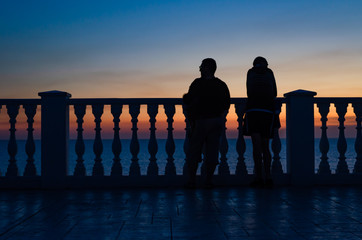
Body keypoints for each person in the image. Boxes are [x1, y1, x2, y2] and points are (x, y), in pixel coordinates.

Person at [183, 58, 231, 188]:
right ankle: (208, 181)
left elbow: (189, 100)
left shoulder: (197, 84)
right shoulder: (221, 85)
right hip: (215, 122)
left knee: (194, 152)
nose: (199, 68)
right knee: (212, 152)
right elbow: (227, 104)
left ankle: (192, 181)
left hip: (200, 122)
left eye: (202, 66)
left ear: (207, 68)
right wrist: (221, 118)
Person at [244, 56, 278, 188]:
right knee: (265, 146)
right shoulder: (269, 73)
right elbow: (274, 92)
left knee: (257, 146)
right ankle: (267, 177)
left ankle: (259, 177)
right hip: (266, 112)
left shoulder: (250, 72)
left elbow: (248, 91)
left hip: (254, 111)